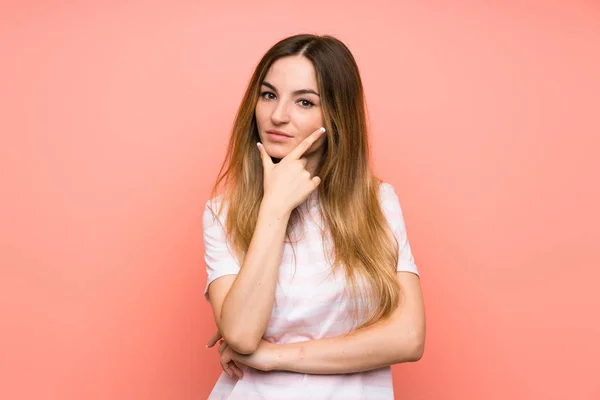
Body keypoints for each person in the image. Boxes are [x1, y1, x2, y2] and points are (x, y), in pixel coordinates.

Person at [202, 33, 425, 400]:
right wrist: (274, 208)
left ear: (336, 114)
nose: (278, 115)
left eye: (304, 102)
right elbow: (241, 333)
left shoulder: (378, 202)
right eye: (269, 95)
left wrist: (272, 355)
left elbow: (408, 338)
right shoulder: (223, 211)